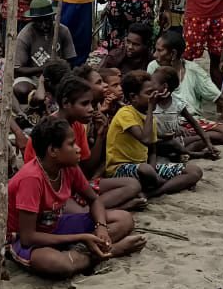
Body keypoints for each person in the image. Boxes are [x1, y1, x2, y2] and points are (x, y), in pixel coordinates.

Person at [8, 118, 143, 278]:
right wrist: (82, 237)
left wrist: (101, 226)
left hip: (55, 227)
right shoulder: (31, 179)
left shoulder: (68, 167)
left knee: (124, 218)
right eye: (71, 144)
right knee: (56, 264)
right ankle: (110, 251)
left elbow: (94, 200)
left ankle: (84, 252)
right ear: (53, 151)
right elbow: (28, 237)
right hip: (26, 238)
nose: (78, 149)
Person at [22, 75, 144, 211]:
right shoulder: (48, 131)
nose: (91, 109)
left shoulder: (77, 126)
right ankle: (113, 207)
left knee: (133, 185)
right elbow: (40, 177)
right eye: (84, 104)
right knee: (81, 212)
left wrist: (100, 135)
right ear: (66, 103)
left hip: (76, 184)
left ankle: (99, 207)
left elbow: (87, 167)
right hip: (51, 190)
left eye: (91, 104)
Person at [149, 29, 223, 146]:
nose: (155, 55)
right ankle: (196, 141)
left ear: (173, 54)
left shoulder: (193, 70)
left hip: (192, 122)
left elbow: (219, 97)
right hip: (163, 121)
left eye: (160, 50)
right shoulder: (153, 67)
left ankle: (191, 141)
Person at [103, 71, 202, 196]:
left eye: (154, 92)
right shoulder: (125, 113)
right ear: (133, 97)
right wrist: (151, 107)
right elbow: (146, 140)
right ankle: (167, 184)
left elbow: (152, 149)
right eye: (149, 93)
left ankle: (155, 191)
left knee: (194, 171)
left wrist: (154, 169)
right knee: (145, 169)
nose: (154, 96)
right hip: (120, 169)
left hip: (145, 168)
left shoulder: (150, 118)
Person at [150, 66, 220, 161]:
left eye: (153, 83)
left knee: (199, 141)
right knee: (172, 144)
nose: (149, 86)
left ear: (165, 86)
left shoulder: (177, 103)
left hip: (175, 141)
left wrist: (208, 144)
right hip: (156, 142)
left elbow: (194, 124)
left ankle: (181, 154)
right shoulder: (150, 102)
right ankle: (195, 154)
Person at [14, 0, 77, 83]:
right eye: (39, 21)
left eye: (47, 19)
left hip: (59, 76)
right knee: (21, 89)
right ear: (32, 20)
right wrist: (44, 68)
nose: (44, 25)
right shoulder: (24, 36)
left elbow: (71, 60)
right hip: (33, 77)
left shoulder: (63, 31)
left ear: (52, 17)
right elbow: (18, 70)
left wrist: (61, 68)